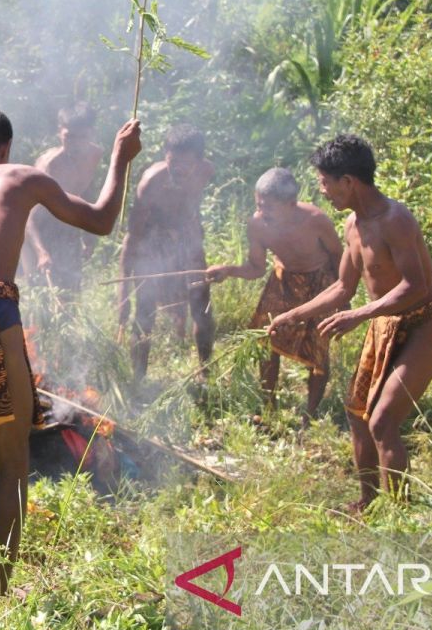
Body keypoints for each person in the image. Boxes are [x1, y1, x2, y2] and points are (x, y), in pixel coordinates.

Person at [0, 108, 140, 594]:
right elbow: (100, 221)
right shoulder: (24, 176)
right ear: (5, 149)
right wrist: (121, 158)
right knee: (13, 462)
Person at [269, 136, 432, 512]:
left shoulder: (395, 220)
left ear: (349, 181)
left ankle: (401, 518)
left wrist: (362, 314)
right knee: (358, 416)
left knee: (383, 422)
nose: (323, 192)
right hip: (384, 327)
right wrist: (294, 315)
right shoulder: (353, 225)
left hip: (427, 326)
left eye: (325, 182)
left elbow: (415, 285)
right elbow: (342, 287)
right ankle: (368, 503)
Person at [205, 168, 342, 427]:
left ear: (291, 205)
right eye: (259, 205)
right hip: (283, 281)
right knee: (268, 339)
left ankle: (309, 415)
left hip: (319, 283)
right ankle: (268, 405)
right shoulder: (257, 225)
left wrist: (341, 294)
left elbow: (338, 255)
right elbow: (256, 268)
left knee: (318, 349)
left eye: (269, 207)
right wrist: (228, 270)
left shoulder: (315, 219)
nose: (262, 212)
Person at [118, 124, 215, 383]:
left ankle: (206, 374)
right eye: (173, 164)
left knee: (202, 307)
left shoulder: (207, 171)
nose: (178, 172)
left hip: (188, 241)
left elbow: (191, 208)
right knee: (145, 312)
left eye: (185, 166)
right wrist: (123, 294)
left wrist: (191, 231)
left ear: (199, 161)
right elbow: (133, 236)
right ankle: (138, 380)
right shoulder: (151, 183)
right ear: (165, 156)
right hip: (153, 245)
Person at [25, 103, 104, 294]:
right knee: (40, 298)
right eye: (69, 137)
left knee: (72, 291)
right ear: (59, 132)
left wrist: (89, 234)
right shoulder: (50, 166)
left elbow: (86, 192)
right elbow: (29, 216)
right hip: (37, 231)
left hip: (68, 224)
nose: (75, 145)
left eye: (82, 137)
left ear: (91, 134)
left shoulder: (94, 155)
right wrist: (41, 252)